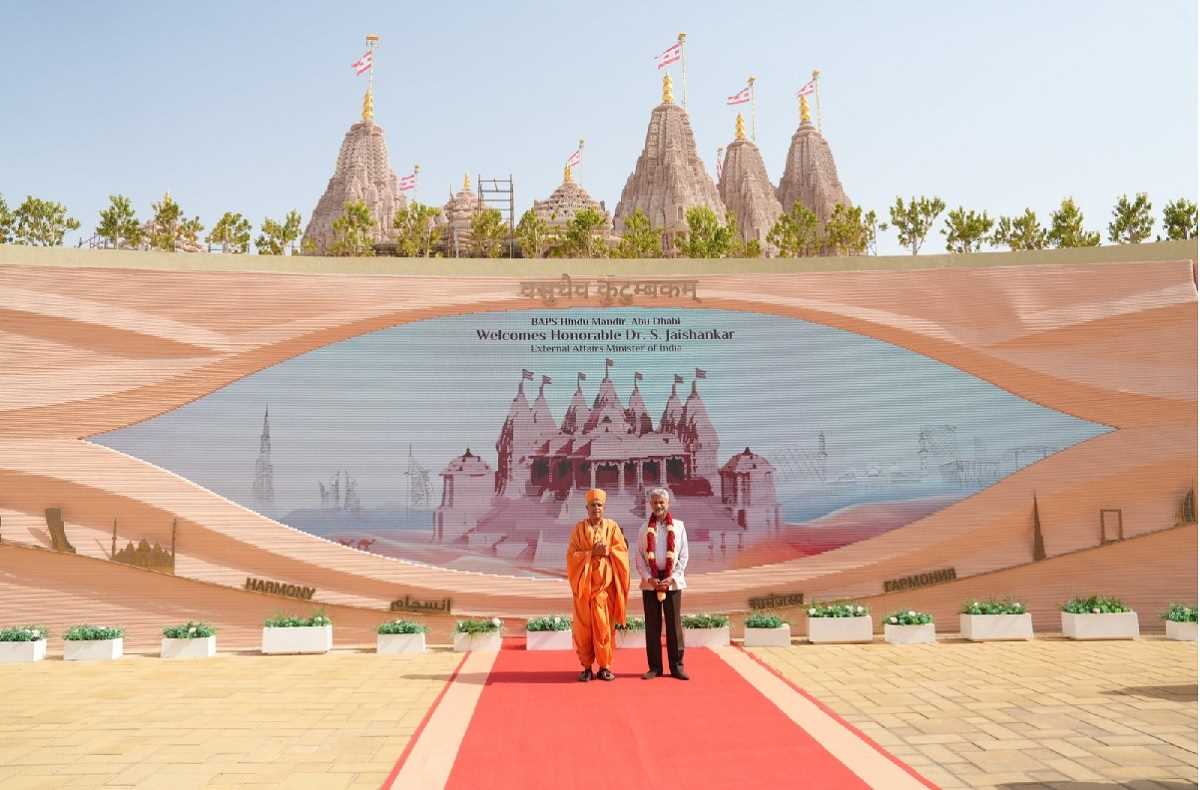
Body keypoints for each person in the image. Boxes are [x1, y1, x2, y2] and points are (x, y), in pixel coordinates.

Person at [566, 488, 630, 682]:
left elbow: (622, 552)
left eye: (599, 505)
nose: (596, 508)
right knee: (583, 630)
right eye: (593, 505)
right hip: (584, 591)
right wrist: (591, 553)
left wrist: (608, 550)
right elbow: (571, 556)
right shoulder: (579, 529)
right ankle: (586, 667)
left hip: (604, 591)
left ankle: (604, 666)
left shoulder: (612, 527)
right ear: (587, 508)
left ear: (604, 507)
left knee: (604, 628)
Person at [635, 487, 690, 680]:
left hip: (672, 582)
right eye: (655, 502)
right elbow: (640, 558)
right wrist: (648, 577)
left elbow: (683, 556)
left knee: (674, 625)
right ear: (650, 504)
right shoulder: (643, 528)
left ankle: (677, 666)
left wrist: (672, 576)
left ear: (668, 504)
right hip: (650, 582)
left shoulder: (679, 526)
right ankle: (655, 667)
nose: (658, 505)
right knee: (652, 625)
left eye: (661, 502)